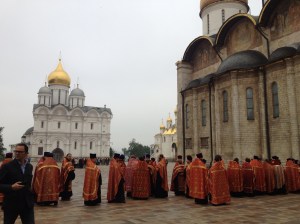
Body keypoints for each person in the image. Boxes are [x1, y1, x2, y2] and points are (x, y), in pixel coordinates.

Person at [0, 143, 35, 224]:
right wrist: (11, 187)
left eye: (20, 152)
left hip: (27, 204)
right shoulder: (7, 167)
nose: (17, 153)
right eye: (16, 151)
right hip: (11, 204)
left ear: (26, 153)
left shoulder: (29, 166)